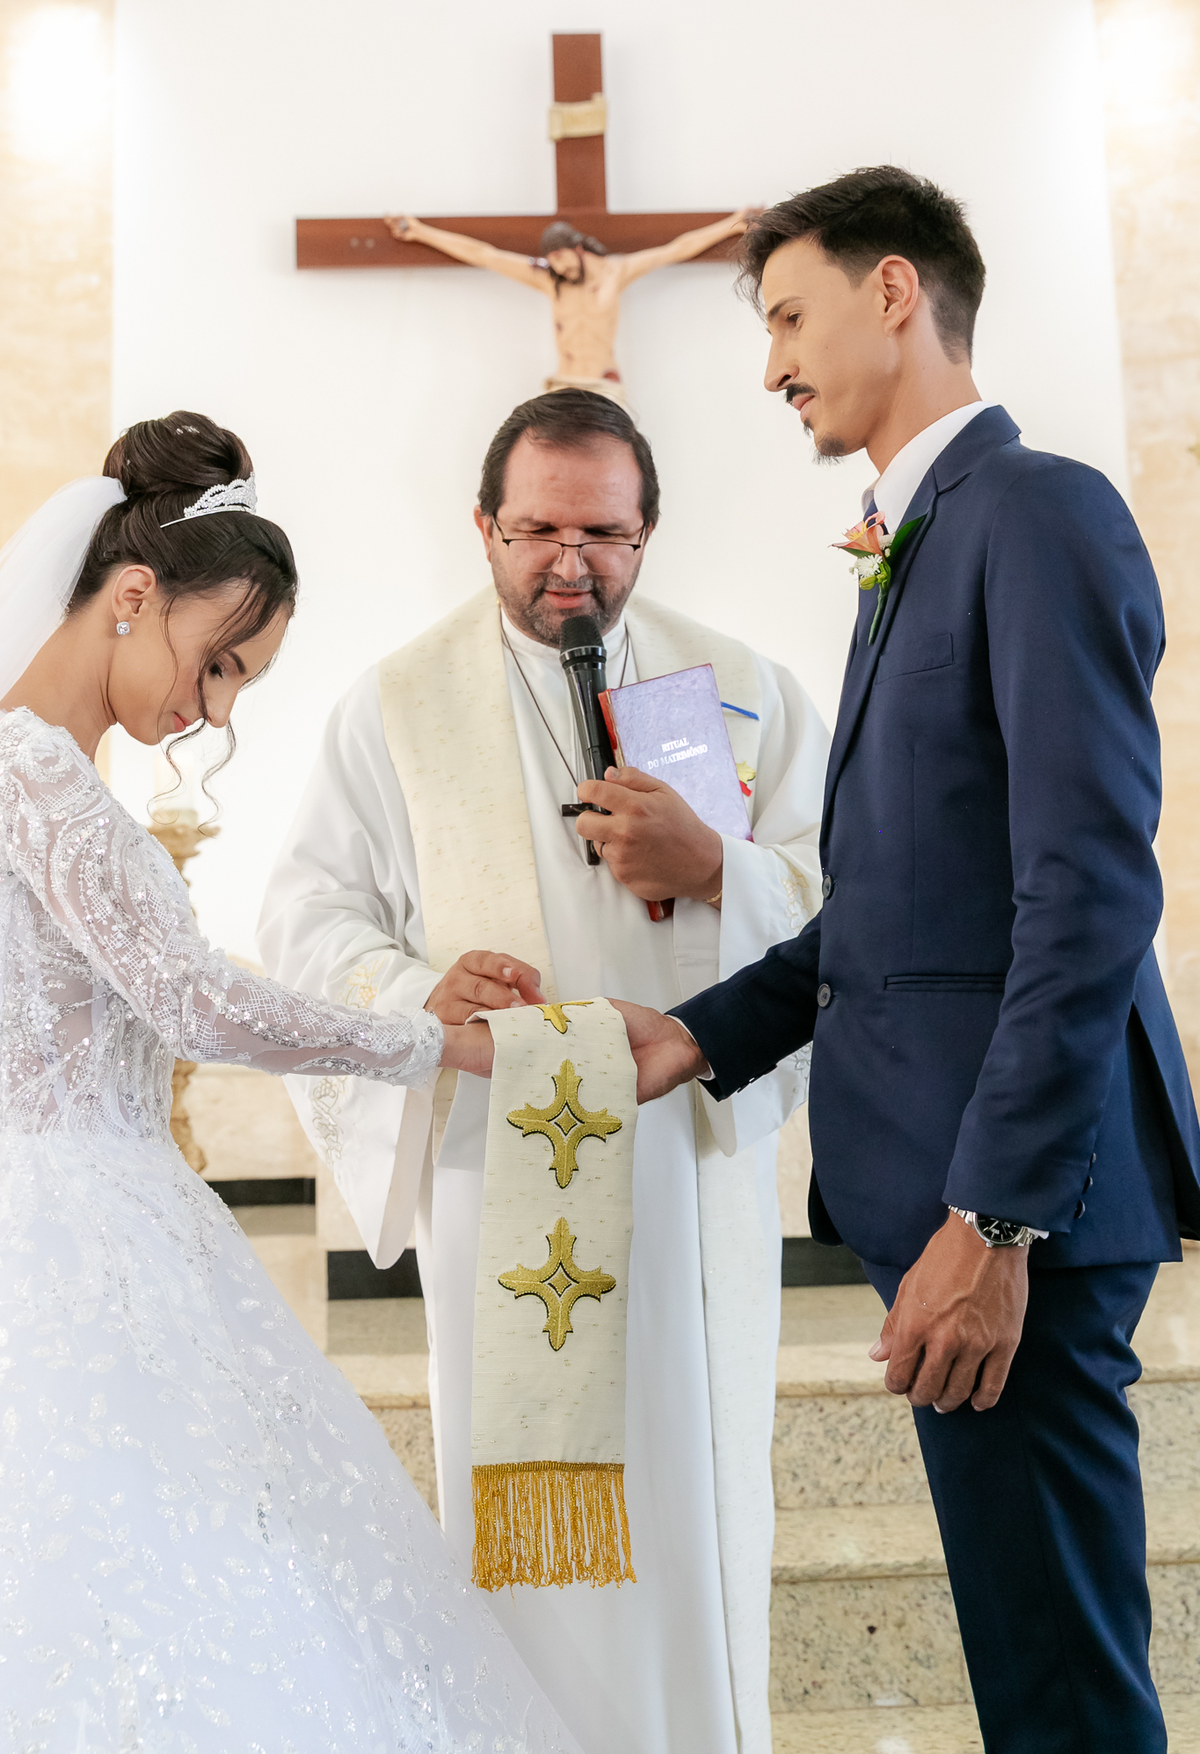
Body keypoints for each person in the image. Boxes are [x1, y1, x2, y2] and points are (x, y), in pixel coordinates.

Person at [613, 167, 1200, 1754]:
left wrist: (995, 1218)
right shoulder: (924, 538)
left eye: (788, 317)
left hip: (1012, 1203)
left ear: (891, 291)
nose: (772, 364)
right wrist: (696, 1034)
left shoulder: (1037, 511)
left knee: (1063, 1678)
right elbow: (905, 904)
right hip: (950, 1184)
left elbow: (1087, 888)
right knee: (1028, 1650)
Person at [258, 387, 830, 1754]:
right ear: (484, 526)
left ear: (649, 534)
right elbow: (306, 920)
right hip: (499, 1165)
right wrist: (419, 991)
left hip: (686, 1162)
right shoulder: (396, 707)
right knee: (521, 1525)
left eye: (605, 533)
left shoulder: (741, 692)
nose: (571, 562)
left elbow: (849, 901)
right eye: (538, 530)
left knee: (688, 1495)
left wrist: (718, 869)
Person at [0, 410, 579, 1754]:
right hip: (73, 1223)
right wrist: (429, 1038)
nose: (212, 712)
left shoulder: (45, 775)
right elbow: (197, 1003)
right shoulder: (39, 776)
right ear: (132, 595)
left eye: (241, 687)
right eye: (218, 665)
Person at [385, 213, 752, 403]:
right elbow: (485, 255)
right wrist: (420, 231)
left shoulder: (616, 272)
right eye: (553, 262)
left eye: (561, 258)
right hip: (563, 384)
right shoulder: (549, 280)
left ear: (578, 249)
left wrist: (733, 223)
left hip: (604, 385)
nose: (559, 269)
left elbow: (676, 249)